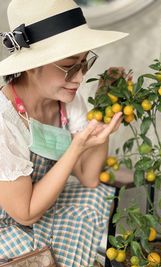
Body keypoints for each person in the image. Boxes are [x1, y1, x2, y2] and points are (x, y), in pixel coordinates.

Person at [0, 0, 128, 266]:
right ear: (32, 65)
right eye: (69, 66)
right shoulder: (4, 120)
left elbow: (89, 177)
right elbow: (25, 213)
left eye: (84, 63)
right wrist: (76, 147)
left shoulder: (68, 100)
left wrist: (102, 112)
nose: (80, 77)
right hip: (10, 222)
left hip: (38, 208)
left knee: (97, 195)